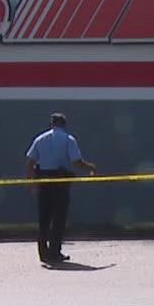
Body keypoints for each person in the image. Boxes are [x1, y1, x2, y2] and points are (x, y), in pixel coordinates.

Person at [26, 112, 97, 265]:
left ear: (51, 124)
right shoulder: (68, 139)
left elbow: (30, 162)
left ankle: (43, 253)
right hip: (60, 181)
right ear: (64, 124)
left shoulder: (40, 139)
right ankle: (55, 252)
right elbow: (76, 161)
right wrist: (90, 167)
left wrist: (31, 183)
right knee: (59, 217)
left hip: (44, 180)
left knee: (44, 217)